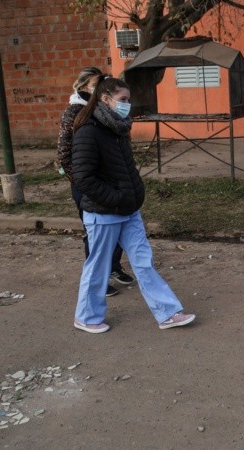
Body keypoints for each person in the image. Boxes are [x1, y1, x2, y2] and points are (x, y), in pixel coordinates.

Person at [70, 75, 195, 333]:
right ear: (105, 99)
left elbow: (125, 170)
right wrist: (115, 199)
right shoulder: (89, 131)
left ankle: (168, 313)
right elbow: (83, 177)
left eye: (129, 99)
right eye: (123, 99)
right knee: (99, 268)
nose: (128, 104)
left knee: (143, 262)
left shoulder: (118, 128)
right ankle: (86, 317)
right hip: (104, 213)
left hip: (129, 210)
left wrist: (134, 195)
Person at [57, 67, 134, 298]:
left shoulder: (108, 109)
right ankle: (99, 279)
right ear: (81, 88)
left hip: (114, 183)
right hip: (88, 186)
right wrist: (82, 183)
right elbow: (64, 154)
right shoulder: (74, 113)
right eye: (93, 86)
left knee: (119, 227)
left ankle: (114, 267)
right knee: (95, 233)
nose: (97, 90)